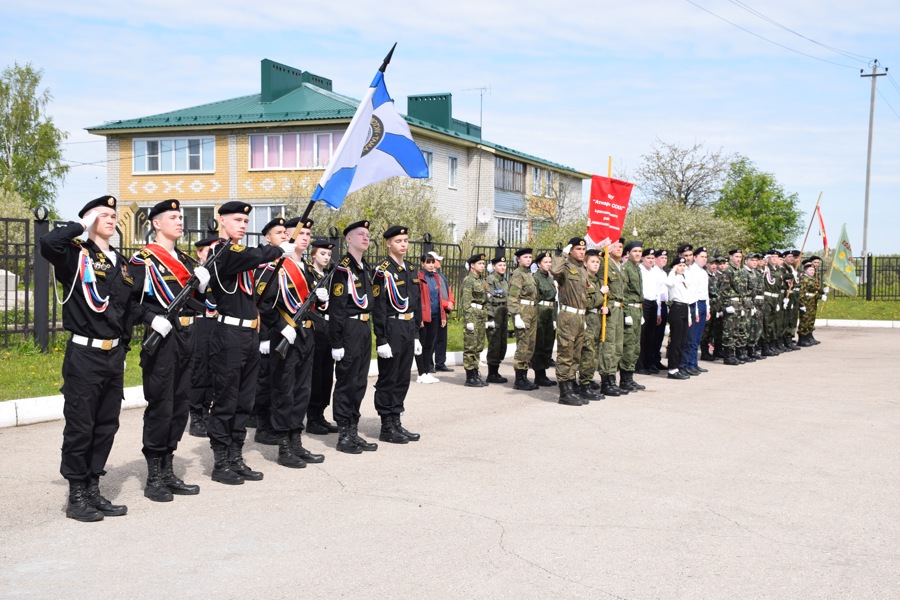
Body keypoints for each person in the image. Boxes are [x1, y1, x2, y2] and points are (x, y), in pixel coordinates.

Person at [39, 195, 132, 521]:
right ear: (90, 218)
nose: (110, 219)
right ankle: (76, 493)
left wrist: (125, 346)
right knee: (81, 425)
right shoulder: (75, 257)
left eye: (112, 214)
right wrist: (80, 225)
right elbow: (48, 243)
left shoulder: (122, 262)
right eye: (102, 215)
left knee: (106, 424)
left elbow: (127, 310)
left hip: (112, 354)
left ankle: (93, 486)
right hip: (84, 354)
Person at [206, 202, 291, 484]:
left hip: (249, 334)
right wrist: (278, 249)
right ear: (222, 221)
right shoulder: (222, 252)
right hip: (228, 335)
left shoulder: (242, 256)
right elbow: (255, 254)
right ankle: (221, 462)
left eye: (246, 221)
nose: (243, 225)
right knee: (226, 399)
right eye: (238, 219)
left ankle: (235, 455)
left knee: (244, 400)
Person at [129, 199, 204, 502]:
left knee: (180, 404)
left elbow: (201, 302)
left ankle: (169, 468)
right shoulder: (143, 260)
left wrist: (202, 286)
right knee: (161, 404)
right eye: (172, 217)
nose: (179, 220)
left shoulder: (186, 261)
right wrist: (150, 318)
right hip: (161, 339)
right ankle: (154, 476)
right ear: (156, 224)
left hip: (187, 335)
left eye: (180, 216)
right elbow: (129, 303)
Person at [264, 216, 326, 468]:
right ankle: (283, 446)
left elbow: (309, 304)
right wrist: (281, 328)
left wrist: (320, 300)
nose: (305, 237)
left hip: (307, 335)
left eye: (308, 234)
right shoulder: (277, 266)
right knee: (284, 390)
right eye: (300, 233)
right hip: (286, 336)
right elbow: (264, 303)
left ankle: (296, 441)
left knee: (302, 391)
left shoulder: (308, 269)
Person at [329, 220, 379, 454]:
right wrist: (337, 342)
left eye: (368, 234)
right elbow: (337, 308)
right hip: (348, 329)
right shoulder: (343, 269)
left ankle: (353, 429)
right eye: (361, 234)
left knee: (359, 382)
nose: (366, 238)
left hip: (362, 329)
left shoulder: (364, 268)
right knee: (347, 381)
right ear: (348, 239)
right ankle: (343, 434)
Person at [372, 225, 423, 444]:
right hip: (391, 328)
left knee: (403, 378)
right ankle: (386, 426)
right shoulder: (382, 271)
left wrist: (417, 335)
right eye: (398, 241)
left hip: (408, 327)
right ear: (388, 243)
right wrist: (381, 339)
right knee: (389, 378)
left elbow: (416, 303)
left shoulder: (411, 268)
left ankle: (396, 421)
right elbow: (378, 306)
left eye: (405, 240)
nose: (403, 244)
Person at [250, 217, 290, 446]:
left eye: (285, 232)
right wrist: (264, 336)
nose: (284, 235)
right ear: (267, 238)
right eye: (278, 232)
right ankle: (262, 426)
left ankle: (273, 423)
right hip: (267, 332)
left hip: (282, 332)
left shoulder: (283, 264)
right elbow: (262, 303)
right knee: (264, 381)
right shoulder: (266, 267)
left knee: (277, 380)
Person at [306, 238, 340, 434]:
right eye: (322, 254)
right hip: (315, 327)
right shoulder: (308, 274)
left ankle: (320, 413)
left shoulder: (330, 276)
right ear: (313, 255)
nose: (326, 257)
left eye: (328, 254)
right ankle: (312, 417)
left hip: (328, 327)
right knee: (316, 373)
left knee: (327, 374)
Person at [550, 237, 590, 406]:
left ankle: (571, 387)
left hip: (580, 316)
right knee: (565, 354)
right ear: (571, 250)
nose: (581, 252)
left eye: (583, 249)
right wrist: (563, 254)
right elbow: (554, 269)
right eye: (578, 249)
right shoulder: (565, 266)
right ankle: (564, 392)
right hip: (568, 316)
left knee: (576, 355)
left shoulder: (582, 269)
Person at [188, 235, 219, 438]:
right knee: (199, 370)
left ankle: (207, 412)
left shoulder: (218, 275)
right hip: (199, 325)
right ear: (199, 253)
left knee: (212, 370)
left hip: (216, 326)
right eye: (208, 251)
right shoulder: (193, 274)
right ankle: (196, 415)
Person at [597, 239, 628, 397]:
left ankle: (612, 378)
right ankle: (606, 380)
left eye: (621, 246)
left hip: (619, 309)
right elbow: (602, 289)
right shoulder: (605, 264)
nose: (619, 248)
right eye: (616, 245)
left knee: (617, 346)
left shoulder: (619, 266)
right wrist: (606, 307)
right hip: (610, 309)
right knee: (608, 345)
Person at [507, 248, 540, 391]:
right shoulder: (518, 274)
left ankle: (524, 376)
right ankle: (519, 378)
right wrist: (516, 315)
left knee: (530, 345)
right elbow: (513, 297)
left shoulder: (529, 274)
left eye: (529, 257)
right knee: (523, 345)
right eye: (525, 257)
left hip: (532, 312)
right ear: (518, 259)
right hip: (523, 312)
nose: (528, 259)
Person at [576, 248, 606, 401]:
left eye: (598, 262)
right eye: (593, 262)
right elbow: (586, 302)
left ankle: (588, 381)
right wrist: (601, 293)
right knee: (587, 354)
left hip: (597, 322)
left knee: (594, 354)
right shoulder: (584, 280)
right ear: (585, 263)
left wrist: (604, 308)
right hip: (587, 321)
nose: (596, 265)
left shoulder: (599, 280)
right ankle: (584, 386)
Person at [619, 240, 646, 391]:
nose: (638, 254)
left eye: (639, 251)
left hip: (638, 310)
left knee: (636, 346)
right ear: (628, 254)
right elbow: (623, 293)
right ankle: (624, 379)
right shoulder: (626, 269)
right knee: (628, 346)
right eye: (635, 251)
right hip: (630, 309)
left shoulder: (637, 269)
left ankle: (630, 376)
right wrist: (627, 313)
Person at [460, 253, 490, 387]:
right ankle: (470, 376)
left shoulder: (481, 281)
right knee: (470, 346)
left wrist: (487, 317)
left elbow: (486, 300)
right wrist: (469, 320)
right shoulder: (469, 280)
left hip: (481, 315)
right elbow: (466, 302)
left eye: (483, 264)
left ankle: (475, 371)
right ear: (472, 265)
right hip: (473, 314)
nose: (482, 266)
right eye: (480, 264)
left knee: (478, 345)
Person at [415, 252, 445, 384]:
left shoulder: (436, 277)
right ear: (422, 264)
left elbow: (439, 298)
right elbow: (417, 298)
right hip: (423, 316)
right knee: (421, 345)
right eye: (428, 262)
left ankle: (427, 371)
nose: (431, 265)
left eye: (432, 262)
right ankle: (421, 373)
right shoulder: (419, 277)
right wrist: (419, 317)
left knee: (429, 345)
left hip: (434, 315)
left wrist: (442, 315)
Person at [681, 245, 711, 375]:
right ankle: (688, 364)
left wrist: (708, 308)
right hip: (695, 303)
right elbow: (693, 292)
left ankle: (694, 363)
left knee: (698, 337)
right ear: (695, 257)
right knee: (691, 337)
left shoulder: (703, 272)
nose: (704, 259)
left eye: (705, 257)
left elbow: (705, 292)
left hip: (703, 303)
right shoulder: (691, 271)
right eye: (702, 257)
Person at [717, 249, 748, 366]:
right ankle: (728, 355)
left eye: (740, 256)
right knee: (729, 330)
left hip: (739, 304)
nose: (738, 259)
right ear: (730, 257)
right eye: (736, 256)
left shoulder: (740, 270)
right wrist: (726, 305)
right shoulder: (728, 270)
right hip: (731, 303)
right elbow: (724, 290)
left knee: (738, 329)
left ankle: (735, 353)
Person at [531, 251, 557, 387]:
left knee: (548, 343)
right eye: (546, 262)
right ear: (539, 264)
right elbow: (534, 298)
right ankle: (538, 374)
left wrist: (554, 317)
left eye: (550, 262)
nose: (548, 264)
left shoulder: (550, 278)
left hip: (550, 312)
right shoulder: (536, 278)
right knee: (539, 344)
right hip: (540, 312)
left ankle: (544, 373)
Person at [485, 254, 510, 384]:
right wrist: (489, 317)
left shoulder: (504, 281)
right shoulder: (490, 280)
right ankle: (492, 373)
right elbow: (488, 299)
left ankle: (496, 370)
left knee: (502, 344)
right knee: (494, 344)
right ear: (494, 266)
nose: (502, 267)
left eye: (504, 265)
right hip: (494, 315)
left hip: (503, 314)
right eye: (500, 265)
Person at [665, 257, 692, 379]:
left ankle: (678, 366)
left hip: (685, 309)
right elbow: (668, 283)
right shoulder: (672, 278)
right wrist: (673, 271)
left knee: (682, 341)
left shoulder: (685, 278)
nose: (682, 268)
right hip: (676, 308)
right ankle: (672, 369)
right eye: (679, 265)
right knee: (675, 341)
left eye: (683, 265)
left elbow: (688, 298)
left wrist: (690, 316)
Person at [636, 248, 658, 374]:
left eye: (652, 258)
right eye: (648, 258)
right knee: (641, 336)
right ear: (643, 258)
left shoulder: (654, 272)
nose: (651, 260)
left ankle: (648, 363)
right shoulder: (640, 270)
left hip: (653, 304)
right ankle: (639, 365)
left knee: (651, 336)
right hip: (643, 304)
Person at [432, 255, 455, 373]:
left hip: (443, 312)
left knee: (442, 338)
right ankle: (429, 364)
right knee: (432, 339)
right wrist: (446, 304)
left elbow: (448, 290)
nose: (440, 261)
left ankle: (440, 362)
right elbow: (433, 295)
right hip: (434, 311)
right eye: (437, 259)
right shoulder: (429, 276)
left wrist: (451, 302)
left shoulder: (441, 275)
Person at [797, 261, 826, 346]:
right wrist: (802, 304)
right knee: (805, 320)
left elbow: (816, 289)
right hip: (806, 302)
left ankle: (809, 336)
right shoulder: (804, 279)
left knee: (810, 320)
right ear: (805, 270)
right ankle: (802, 338)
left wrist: (823, 291)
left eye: (813, 270)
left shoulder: (812, 279)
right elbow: (802, 293)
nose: (812, 271)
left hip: (812, 302)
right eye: (810, 270)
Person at [650, 249, 670, 371]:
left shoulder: (663, 273)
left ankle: (656, 360)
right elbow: (656, 293)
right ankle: (651, 361)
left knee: (660, 336)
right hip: (656, 305)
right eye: (661, 258)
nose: (664, 260)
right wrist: (658, 311)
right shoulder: (654, 272)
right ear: (656, 259)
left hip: (663, 305)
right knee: (654, 335)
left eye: (665, 258)